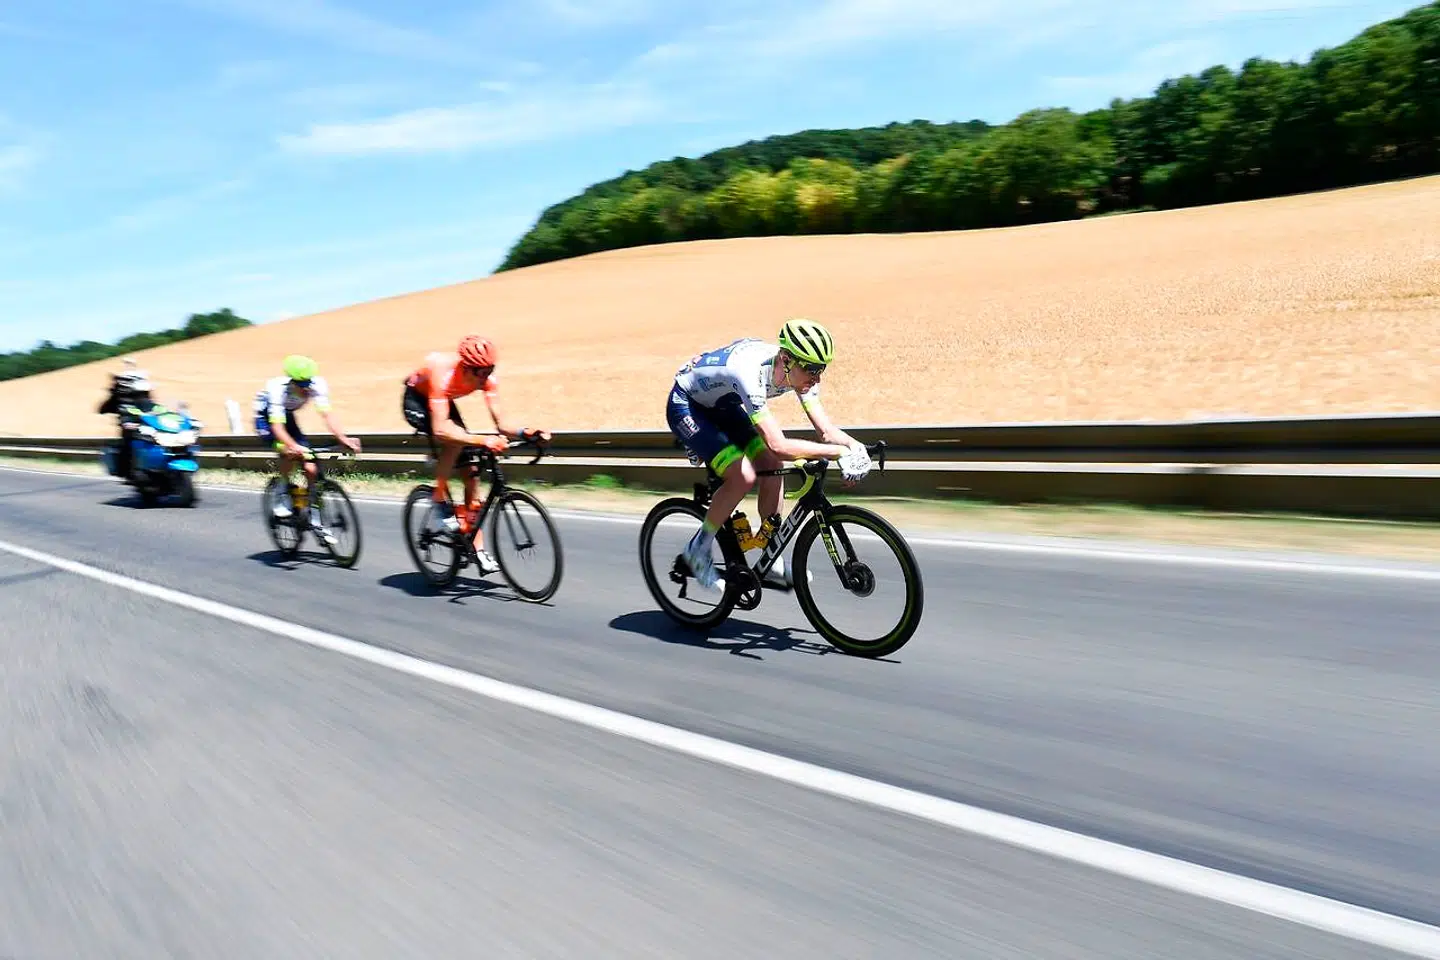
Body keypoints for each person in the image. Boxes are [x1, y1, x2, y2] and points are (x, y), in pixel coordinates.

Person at [666, 318, 873, 590]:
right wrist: (837, 454)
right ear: (786, 359)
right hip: (688, 406)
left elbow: (825, 431)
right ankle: (697, 549)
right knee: (742, 476)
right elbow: (778, 443)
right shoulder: (750, 374)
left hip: (724, 405)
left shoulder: (799, 374)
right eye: (811, 369)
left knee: (771, 465)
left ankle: (768, 554)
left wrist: (855, 448)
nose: (817, 377)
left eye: (821, 369)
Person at [401, 334, 550, 575]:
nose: (486, 376)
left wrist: (527, 432)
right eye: (481, 372)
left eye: (490, 370)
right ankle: (438, 501)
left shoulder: (487, 378)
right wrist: (483, 440)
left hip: (444, 401)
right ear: (467, 366)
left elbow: (502, 424)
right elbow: (441, 429)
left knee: (471, 472)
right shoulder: (442, 372)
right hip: (418, 399)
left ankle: (477, 548)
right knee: (453, 442)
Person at [254, 355, 362, 543]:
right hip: (266, 420)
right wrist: (293, 446)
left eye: (307, 383)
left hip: (288, 416)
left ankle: (314, 517)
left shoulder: (318, 385)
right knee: (288, 451)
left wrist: (343, 438)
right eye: (300, 384)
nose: (304, 388)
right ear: (291, 381)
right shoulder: (277, 390)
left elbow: (327, 415)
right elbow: (278, 428)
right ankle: (281, 492)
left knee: (311, 468)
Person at [97, 358, 156, 481]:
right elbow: (103, 409)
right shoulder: (120, 399)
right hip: (131, 428)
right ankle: (132, 473)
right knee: (128, 444)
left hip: (149, 426)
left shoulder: (144, 396)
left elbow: (155, 408)